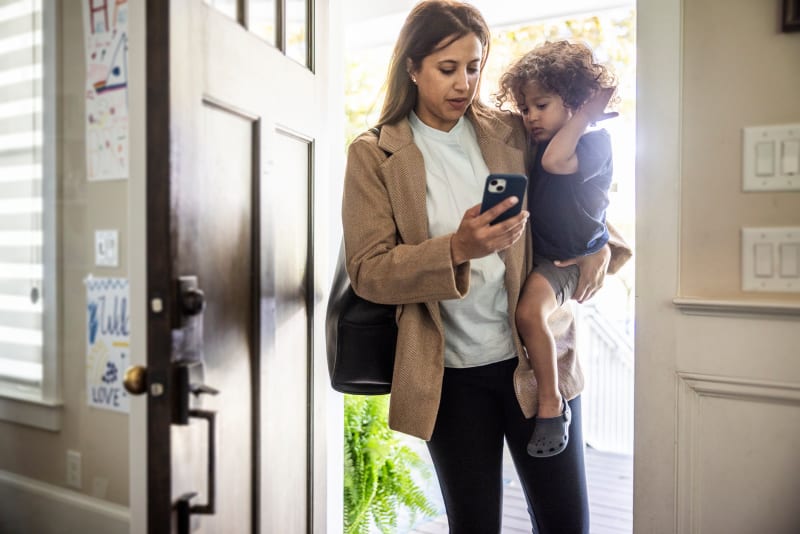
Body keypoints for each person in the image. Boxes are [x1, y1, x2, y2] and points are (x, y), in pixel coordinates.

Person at [341, 2, 630, 532]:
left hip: (536, 363)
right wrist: (456, 248)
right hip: (449, 376)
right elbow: (369, 270)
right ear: (411, 67)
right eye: (447, 69)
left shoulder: (512, 131)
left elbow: (575, 190)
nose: (464, 84)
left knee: (567, 523)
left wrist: (601, 246)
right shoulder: (373, 155)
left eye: (473, 67)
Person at [494, 40, 619, 459]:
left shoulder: (594, 142)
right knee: (526, 313)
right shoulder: (537, 141)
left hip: (568, 259)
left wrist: (584, 117)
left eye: (541, 105)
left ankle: (551, 404)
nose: (530, 117)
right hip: (545, 253)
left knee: (530, 313)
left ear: (575, 101)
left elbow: (556, 164)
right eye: (525, 108)